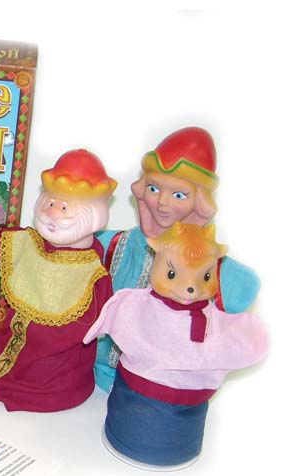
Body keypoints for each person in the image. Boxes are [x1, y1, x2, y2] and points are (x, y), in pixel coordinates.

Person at [84, 223, 268, 467]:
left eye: (205, 277)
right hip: (130, 413)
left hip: (183, 429)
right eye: (172, 274)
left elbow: (234, 344)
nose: (190, 288)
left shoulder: (212, 321)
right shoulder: (134, 304)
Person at [94, 127, 260, 391]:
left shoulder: (224, 273)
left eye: (179, 195)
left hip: (168, 395)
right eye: (153, 188)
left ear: (200, 201)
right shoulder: (111, 245)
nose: (162, 202)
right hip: (96, 383)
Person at [0, 149, 115, 412]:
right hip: (4, 363)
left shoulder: (93, 274)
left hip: (60, 383)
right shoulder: (23, 242)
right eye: (51, 202)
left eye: (65, 207)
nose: (53, 213)